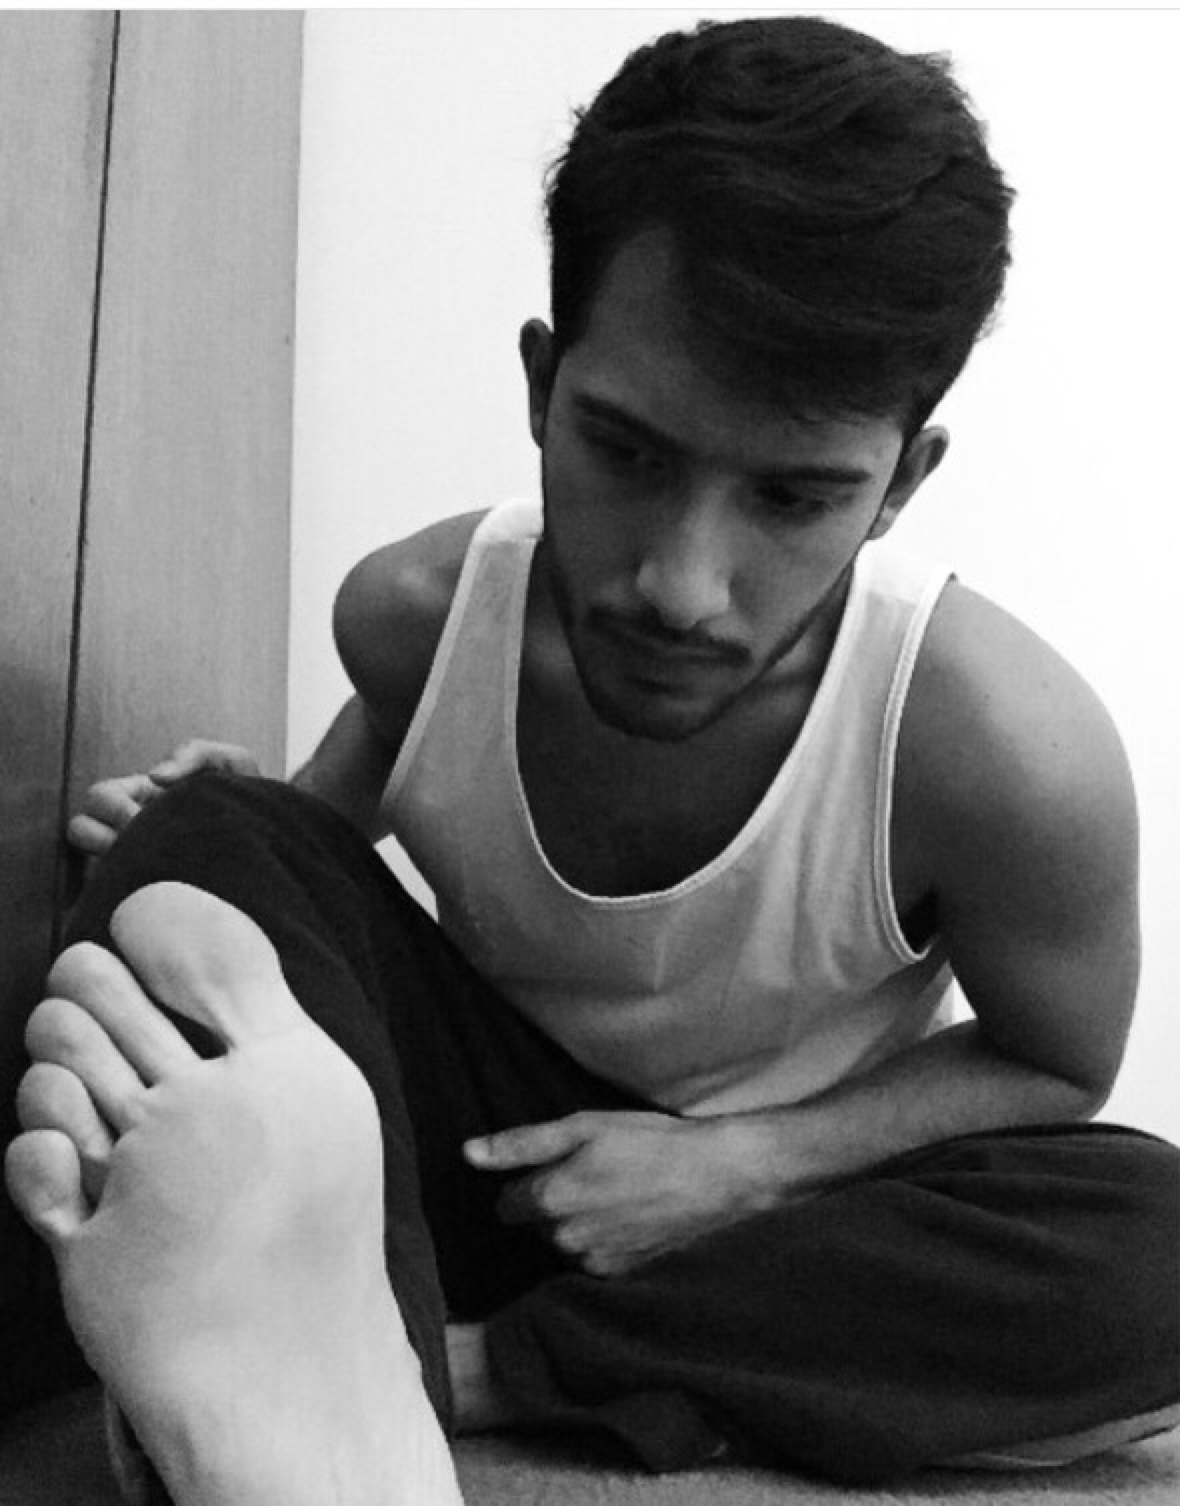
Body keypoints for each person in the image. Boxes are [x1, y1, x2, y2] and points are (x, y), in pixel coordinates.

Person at [4, 14, 1178, 1504]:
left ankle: (434, 1370)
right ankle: (345, 1361)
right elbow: (297, 886)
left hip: (773, 1227)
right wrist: (215, 829)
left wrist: (744, 1165)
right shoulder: (417, 614)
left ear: (901, 482)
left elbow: (1057, 1062)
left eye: (794, 498)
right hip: (465, 1166)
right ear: (542, 385)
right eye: (626, 452)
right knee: (206, 849)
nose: (681, 586)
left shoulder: (1002, 751)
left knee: (1157, 1240)